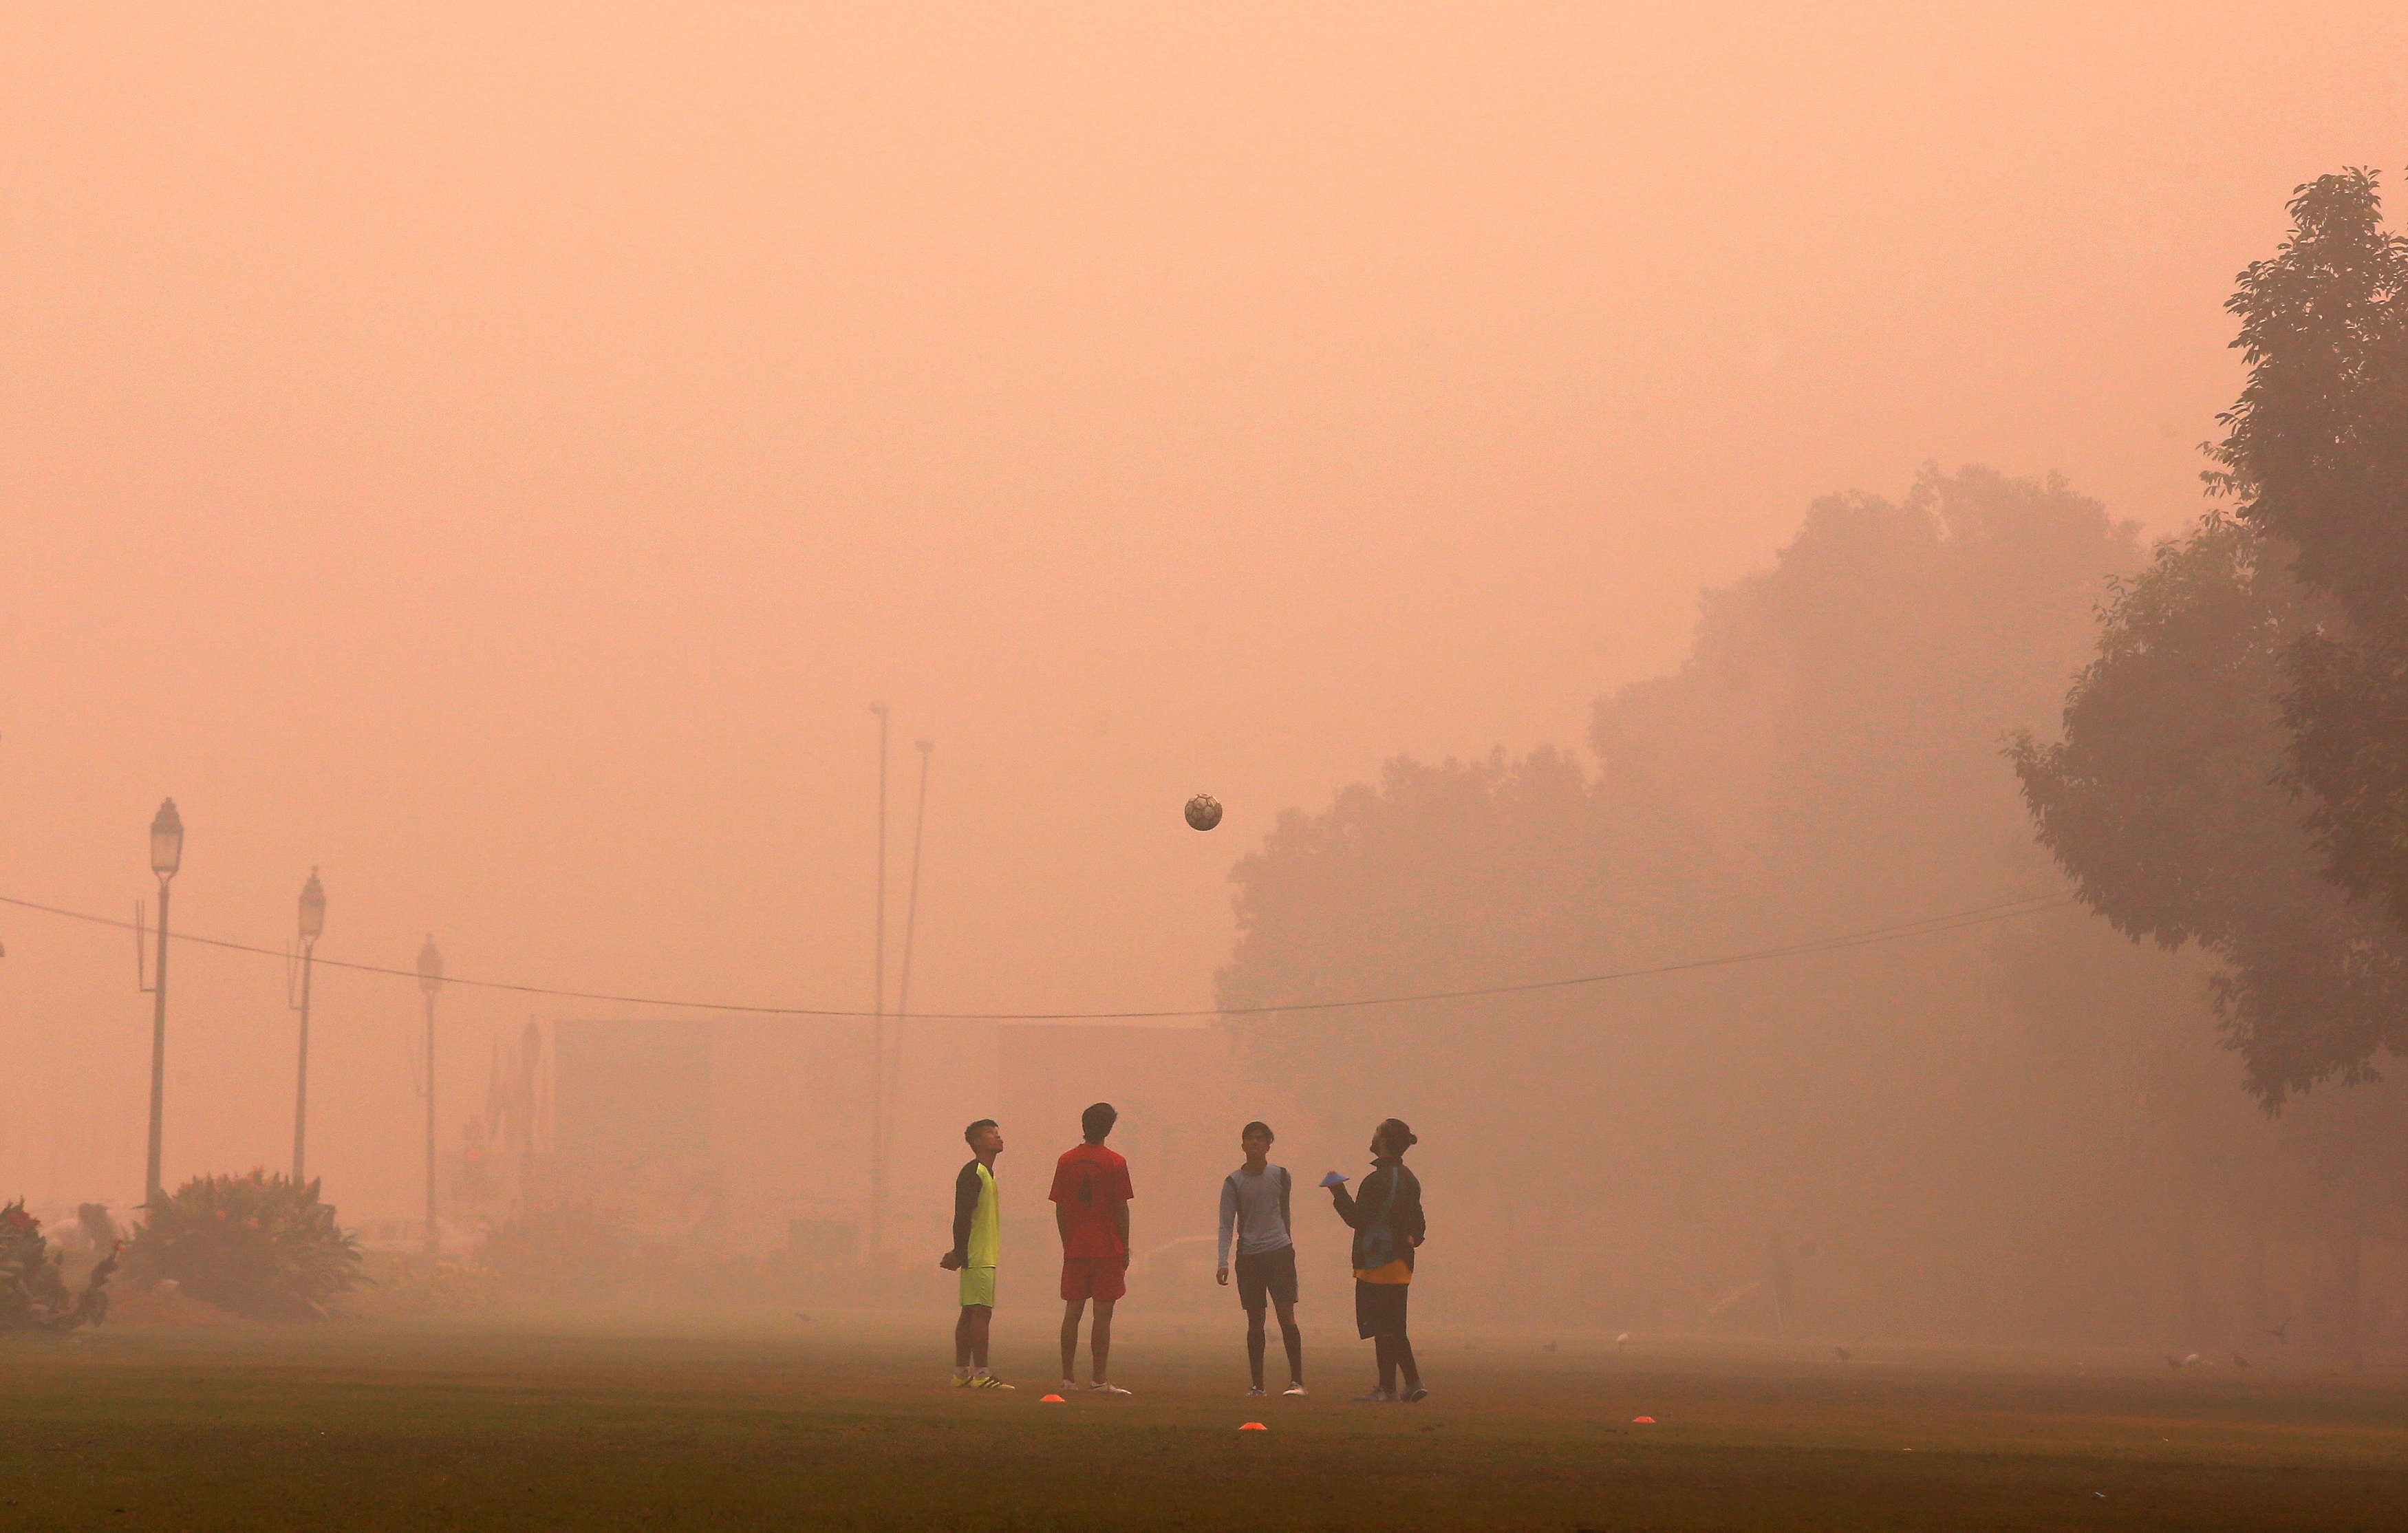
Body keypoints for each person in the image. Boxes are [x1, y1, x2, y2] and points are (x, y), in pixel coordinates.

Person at [1324, 1117, 1426, 1402]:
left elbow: (1357, 1219)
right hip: (1402, 1265)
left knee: (1382, 1329)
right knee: (1395, 1327)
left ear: (1382, 1142)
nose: (1372, 1136)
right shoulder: (1410, 1179)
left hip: (1375, 1261)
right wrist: (1412, 1239)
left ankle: (1388, 1389)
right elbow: (1419, 1225)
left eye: (1376, 1132)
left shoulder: (1375, 1180)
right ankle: (1412, 1384)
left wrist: (1337, 1190)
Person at [1049, 1101, 1135, 1396]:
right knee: (1102, 1314)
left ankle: (1067, 1378)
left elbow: (1060, 1208)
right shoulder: (1115, 1162)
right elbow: (1121, 1209)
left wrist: (1067, 1242)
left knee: (1072, 1311)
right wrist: (1124, 1248)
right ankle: (1099, 1378)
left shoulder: (1066, 1161)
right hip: (1107, 1248)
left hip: (1077, 1247)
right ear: (1108, 1128)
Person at [1217, 1120, 1305, 1397]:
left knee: (1285, 1314)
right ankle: (1258, 1384)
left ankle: (1296, 1382)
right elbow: (1226, 1223)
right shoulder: (1234, 1181)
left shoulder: (1280, 1175)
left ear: (1269, 1144)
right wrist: (1223, 1261)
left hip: (1279, 1252)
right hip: (1249, 1256)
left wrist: (1288, 1243)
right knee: (1255, 1320)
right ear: (1242, 1145)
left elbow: (1285, 1212)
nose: (1255, 1143)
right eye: (1250, 1139)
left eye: (1260, 1139)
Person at [938, 1118, 1012, 1389]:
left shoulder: (987, 1173)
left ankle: (960, 1374)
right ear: (978, 1142)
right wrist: (960, 1252)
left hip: (982, 1254)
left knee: (969, 1313)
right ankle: (981, 1374)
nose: (998, 1137)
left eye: (997, 1132)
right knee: (980, 1314)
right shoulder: (974, 1173)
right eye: (991, 1134)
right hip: (979, 1256)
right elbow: (962, 1216)